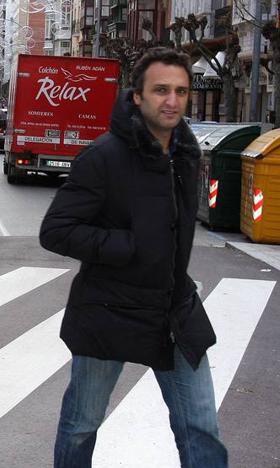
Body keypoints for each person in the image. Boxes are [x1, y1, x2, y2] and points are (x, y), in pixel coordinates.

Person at [39, 47, 225, 468]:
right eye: (161, 90)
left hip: (175, 309)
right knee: (82, 423)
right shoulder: (103, 156)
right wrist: (128, 245)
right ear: (137, 97)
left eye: (180, 91)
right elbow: (56, 231)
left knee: (201, 427)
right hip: (109, 310)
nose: (172, 100)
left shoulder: (185, 153)